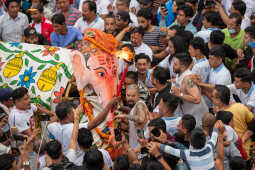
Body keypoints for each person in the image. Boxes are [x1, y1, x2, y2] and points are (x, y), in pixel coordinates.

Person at [47, 98, 119, 165]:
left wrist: (60, 109)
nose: (75, 111)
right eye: (73, 111)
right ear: (69, 115)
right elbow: (96, 122)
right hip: (80, 163)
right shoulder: (74, 128)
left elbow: (50, 122)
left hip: (66, 163)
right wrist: (109, 105)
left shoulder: (53, 127)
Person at [152, 120, 225, 170]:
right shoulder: (209, 147)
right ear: (205, 140)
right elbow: (214, 138)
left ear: (191, 143)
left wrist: (156, 143)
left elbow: (170, 150)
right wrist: (216, 128)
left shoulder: (187, 154)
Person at [211, 85, 254, 158]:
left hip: (233, 156)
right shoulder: (240, 106)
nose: (211, 98)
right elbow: (253, 122)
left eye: (213, 96)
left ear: (219, 100)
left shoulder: (217, 118)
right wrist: (244, 138)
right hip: (246, 151)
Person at [171, 52, 208, 127]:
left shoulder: (188, 79)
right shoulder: (180, 75)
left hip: (198, 118)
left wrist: (179, 94)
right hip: (189, 115)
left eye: (175, 64)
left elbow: (197, 99)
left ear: (183, 66)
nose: (173, 66)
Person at [115, 84, 149, 149]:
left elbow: (141, 119)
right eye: (128, 95)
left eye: (133, 96)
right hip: (135, 144)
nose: (130, 98)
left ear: (138, 96)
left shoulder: (140, 105)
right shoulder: (135, 105)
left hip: (140, 146)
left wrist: (124, 116)